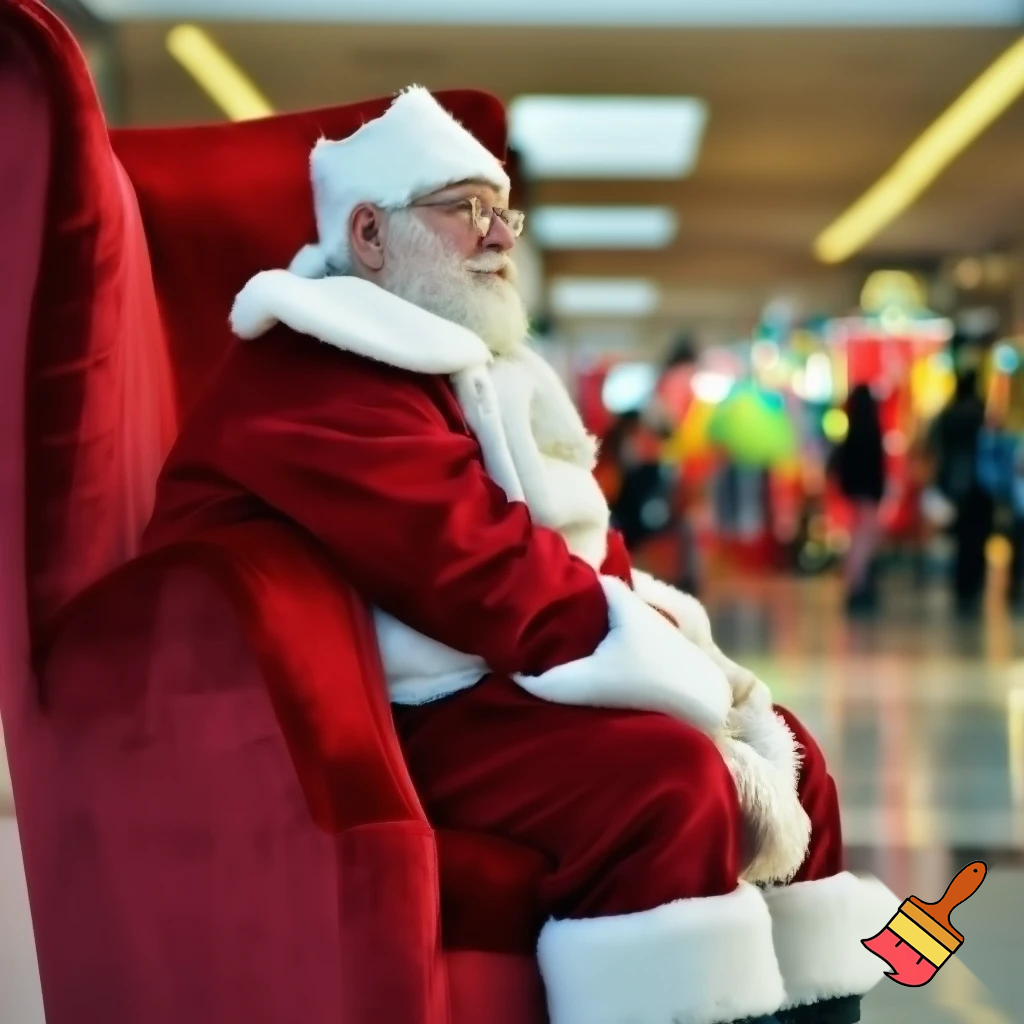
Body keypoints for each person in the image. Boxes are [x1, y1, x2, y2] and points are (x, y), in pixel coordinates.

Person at [143, 86, 894, 1024]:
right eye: (467, 210)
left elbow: (577, 550)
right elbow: (479, 573)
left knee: (793, 757)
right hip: (376, 718)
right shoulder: (317, 367)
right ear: (370, 234)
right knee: (667, 785)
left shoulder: (467, 366)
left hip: (482, 681)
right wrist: (679, 678)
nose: (500, 236)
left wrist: (690, 665)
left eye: (506, 212)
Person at [927, 369, 991, 615]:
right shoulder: (981, 412)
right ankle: (974, 582)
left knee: (961, 536)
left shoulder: (947, 413)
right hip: (981, 484)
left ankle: (962, 582)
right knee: (977, 536)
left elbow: (935, 446)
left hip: (954, 483)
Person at [830, 385, 886, 613]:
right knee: (865, 537)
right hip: (869, 494)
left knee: (857, 537)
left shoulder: (851, 432)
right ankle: (858, 583)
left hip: (856, 492)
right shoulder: (873, 431)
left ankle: (854, 582)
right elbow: (878, 467)